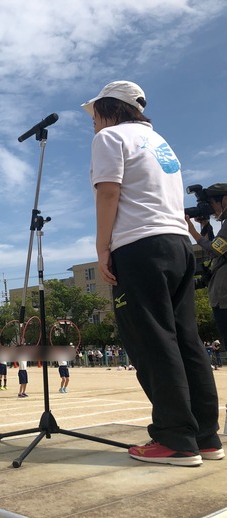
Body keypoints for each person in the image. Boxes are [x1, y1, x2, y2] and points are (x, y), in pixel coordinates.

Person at [83, 80, 221, 466]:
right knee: (186, 340)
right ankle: (205, 436)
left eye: (95, 113)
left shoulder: (110, 139)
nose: (92, 121)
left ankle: (175, 439)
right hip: (177, 244)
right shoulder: (160, 143)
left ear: (110, 109)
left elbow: (108, 192)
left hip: (139, 246)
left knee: (151, 340)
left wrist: (102, 246)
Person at [186, 183, 227, 356]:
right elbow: (218, 251)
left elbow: (216, 249)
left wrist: (192, 231)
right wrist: (205, 226)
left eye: (212, 204)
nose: (212, 210)